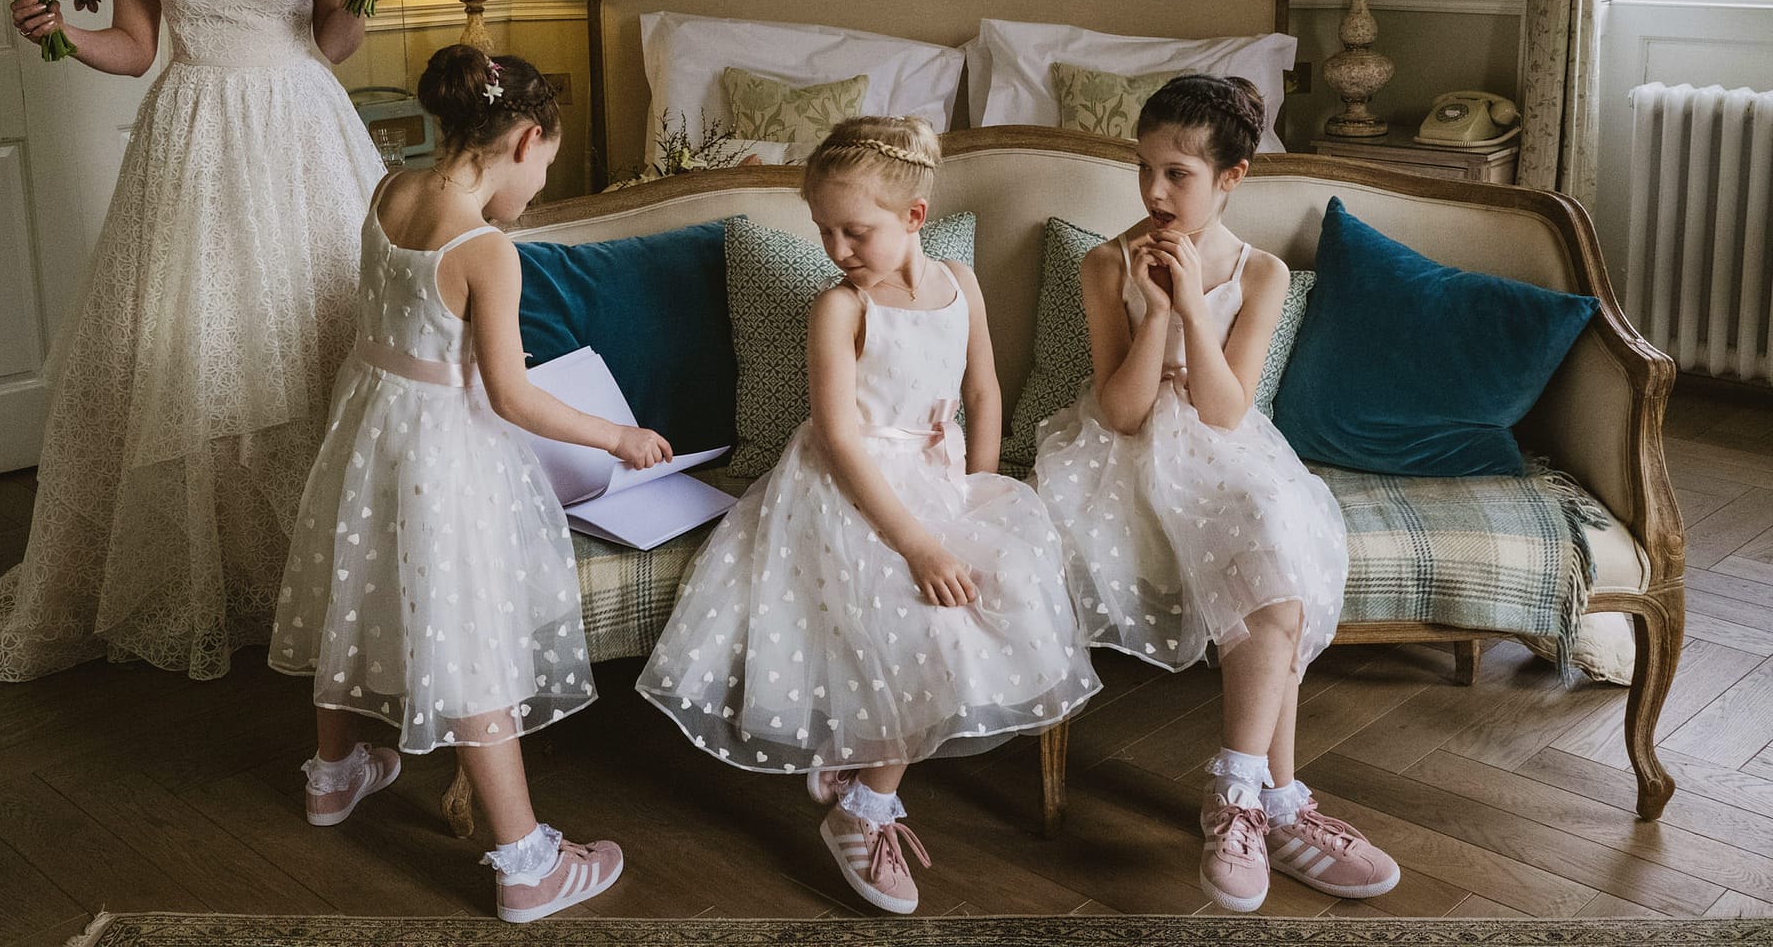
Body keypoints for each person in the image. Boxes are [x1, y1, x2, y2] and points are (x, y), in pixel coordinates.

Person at [0, 0, 391, 681]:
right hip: (193, 131)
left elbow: (329, 38)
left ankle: (315, 575)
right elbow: (139, 45)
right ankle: (219, 578)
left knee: (313, 335)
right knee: (183, 349)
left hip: (300, 129)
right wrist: (58, 35)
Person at [637, 116, 1098, 916]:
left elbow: (982, 392)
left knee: (1005, 586)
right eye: (824, 230)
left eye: (856, 231)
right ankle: (863, 811)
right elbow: (839, 438)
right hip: (851, 488)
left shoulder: (962, 280)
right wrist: (919, 540)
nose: (837, 248)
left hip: (942, 481)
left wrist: (973, 499)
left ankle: (856, 764)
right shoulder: (840, 308)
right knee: (920, 619)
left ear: (915, 217)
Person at [270, 46, 667, 922]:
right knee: (472, 633)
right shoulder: (486, 248)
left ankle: (333, 776)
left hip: (369, 430)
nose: (538, 189)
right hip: (445, 454)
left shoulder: (390, 191)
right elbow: (513, 395)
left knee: (357, 590)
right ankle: (525, 862)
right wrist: (618, 434)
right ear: (525, 138)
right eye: (546, 168)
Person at [1032, 75, 1398, 913]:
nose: (1155, 192)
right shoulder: (1104, 262)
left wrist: (1196, 305)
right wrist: (1155, 310)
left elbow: (1226, 411)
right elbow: (1122, 414)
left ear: (1231, 179)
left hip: (1221, 447)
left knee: (1277, 540)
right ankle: (1277, 800)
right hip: (1117, 457)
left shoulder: (1261, 273)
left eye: (1179, 175)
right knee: (1269, 562)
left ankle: (1242, 794)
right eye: (1145, 169)